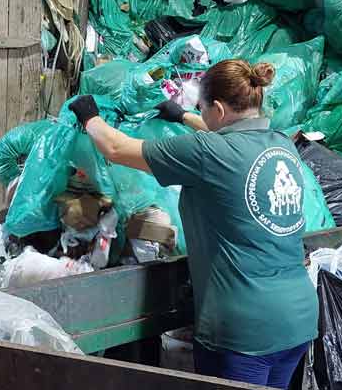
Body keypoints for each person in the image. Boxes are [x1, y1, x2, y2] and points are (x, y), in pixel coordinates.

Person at [68, 60, 318, 389]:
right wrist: (183, 115)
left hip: (244, 331)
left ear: (216, 107)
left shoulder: (206, 152)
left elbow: (116, 148)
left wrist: (90, 117)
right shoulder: (281, 143)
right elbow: (230, 139)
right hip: (298, 319)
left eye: (201, 107)